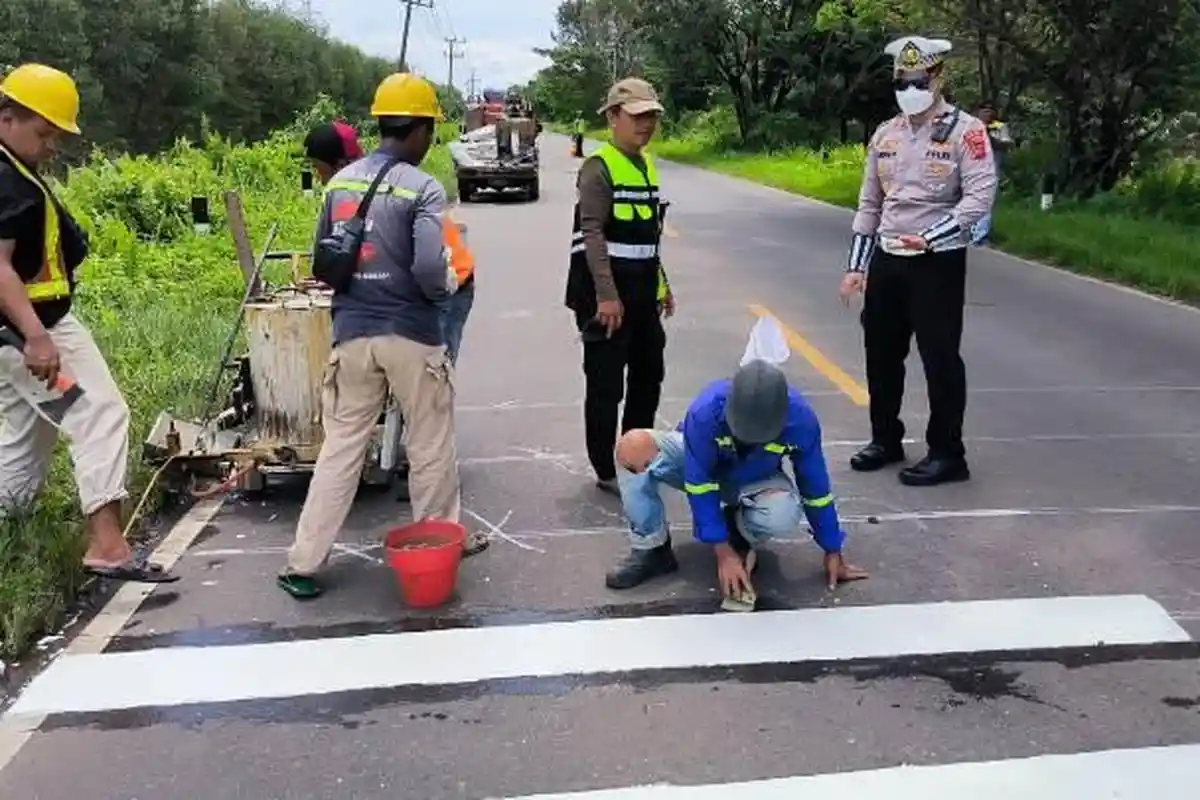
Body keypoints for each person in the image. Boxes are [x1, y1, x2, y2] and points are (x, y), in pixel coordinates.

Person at [278, 73, 463, 599]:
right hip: (411, 335)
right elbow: (431, 268)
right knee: (429, 444)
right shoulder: (422, 188)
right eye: (430, 130)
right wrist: (446, 285)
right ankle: (437, 545)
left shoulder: (339, 184)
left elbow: (323, 260)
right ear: (420, 129)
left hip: (352, 336)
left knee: (341, 450)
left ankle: (304, 563)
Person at [0, 64, 177, 583]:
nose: (52, 145)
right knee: (97, 413)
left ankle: (10, 531)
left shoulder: (13, 168)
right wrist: (36, 337)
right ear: (7, 118)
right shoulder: (6, 179)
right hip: (32, 336)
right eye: (45, 132)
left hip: (19, 338)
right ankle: (107, 547)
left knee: (26, 435)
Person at [839, 36, 997, 487]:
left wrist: (930, 238)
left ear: (938, 77)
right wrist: (856, 266)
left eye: (918, 80)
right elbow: (869, 204)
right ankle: (885, 438)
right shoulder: (886, 133)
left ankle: (948, 452)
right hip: (888, 258)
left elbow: (979, 198)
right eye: (903, 81)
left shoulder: (967, 131)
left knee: (940, 357)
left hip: (936, 261)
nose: (910, 88)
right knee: (881, 354)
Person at [605, 359, 868, 593]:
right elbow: (700, 484)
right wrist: (723, 553)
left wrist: (832, 548)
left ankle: (739, 530)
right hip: (701, 465)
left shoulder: (801, 422)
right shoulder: (705, 411)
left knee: (784, 514)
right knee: (632, 447)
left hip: (755, 480)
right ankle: (652, 548)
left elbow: (816, 489)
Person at [566, 77, 675, 496]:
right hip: (604, 293)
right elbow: (590, 233)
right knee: (606, 384)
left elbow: (649, 233)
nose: (645, 124)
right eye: (636, 116)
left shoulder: (646, 163)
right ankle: (606, 469)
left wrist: (663, 285)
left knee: (649, 374)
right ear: (613, 117)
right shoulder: (598, 167)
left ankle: (635, 454)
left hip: (643, 290)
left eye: (651, 116)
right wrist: (606, 297)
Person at [970, 101, 1014, 246]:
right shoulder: (969, 125)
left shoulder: (999, 127)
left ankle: (980, 236)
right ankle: (967, 232)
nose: (987, 113)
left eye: (990, 110)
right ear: (978, 111)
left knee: (986, 203)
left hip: (991, 170)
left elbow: (1006, 144)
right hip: (969, 171)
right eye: (984, 110)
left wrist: (988, 136)